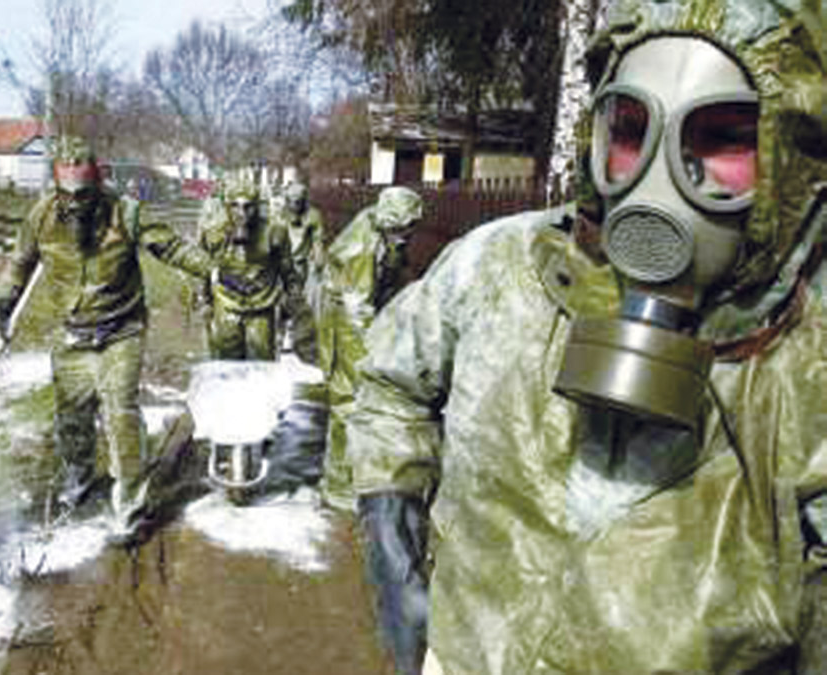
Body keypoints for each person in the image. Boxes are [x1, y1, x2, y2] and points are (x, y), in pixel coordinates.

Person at [346, 1, 827, 673]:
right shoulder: (500, 268)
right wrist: (390, 531)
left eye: (720, 137)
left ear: (793, 161)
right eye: (631, 129)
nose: (661, 178)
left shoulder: (809, 366)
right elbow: (392, 385)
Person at [0, 136, 212, 520]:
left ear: (98, 184)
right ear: (56, 188)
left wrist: (214, 271)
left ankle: (129, 499)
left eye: (85, 194)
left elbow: (171, 247)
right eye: (68, 195)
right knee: (72, 415)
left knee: (119, 412)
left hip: (121, 330)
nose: (77, 204)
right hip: (71, 332)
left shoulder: (126, 212)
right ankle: (77, 476)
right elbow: (19, 262)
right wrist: (4, 300)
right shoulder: (41, 217)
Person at [316, 185, 423, 513]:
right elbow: (357, 309)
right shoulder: (361, 248)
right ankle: (339, 486)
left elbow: (393, 279)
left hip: (356, 311)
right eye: (403, 228)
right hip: (346, 320)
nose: (407, 235)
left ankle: (350, 475)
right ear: (391, 223)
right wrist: (376, 354)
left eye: (410, 228)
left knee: (356, 398)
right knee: (349, 401)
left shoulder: (383, 233)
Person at [197, 175, 300, 360]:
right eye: (235, 206)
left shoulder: (275, 232)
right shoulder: (214, 232)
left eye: (248, 206)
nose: (241, 213)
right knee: (226, 365)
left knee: (260, 365)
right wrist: (203, 300)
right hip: (226, 304)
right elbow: (202, 267)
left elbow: (287, 270)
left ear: (257, 206)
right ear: (226, 207)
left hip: (261, 306)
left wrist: (291, 301)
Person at [270, 181, 327, 364]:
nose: (295, 205)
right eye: (292, 201)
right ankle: (279, 334)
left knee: (299, 300)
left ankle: (295, 335)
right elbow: (272, 239)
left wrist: (319, 261)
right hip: (281, 263)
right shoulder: (279, 215)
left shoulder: (313, 216)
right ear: (287, 201)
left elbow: (318, 240)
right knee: (280, 300)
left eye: (299, 202)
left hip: (301, 264)